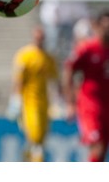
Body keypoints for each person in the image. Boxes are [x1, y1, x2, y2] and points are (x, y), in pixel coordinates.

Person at [8, 25, 61, 161]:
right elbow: (18, 80)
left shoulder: (48, 58)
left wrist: (59, 100)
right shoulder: (25, 55)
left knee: (41, 139)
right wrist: (16, 99)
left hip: (45, 103)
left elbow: (54, 80)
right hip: (29, 102)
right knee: (35, 135)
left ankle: (28, 157)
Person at [63, 9, 109, 162]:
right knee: (97, 146)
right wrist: (70, 102)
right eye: (105, 26)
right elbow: (68, 69)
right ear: (97, 27)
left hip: (107, 106)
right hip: (90, 106)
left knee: (101, 151)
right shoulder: (87, 49)